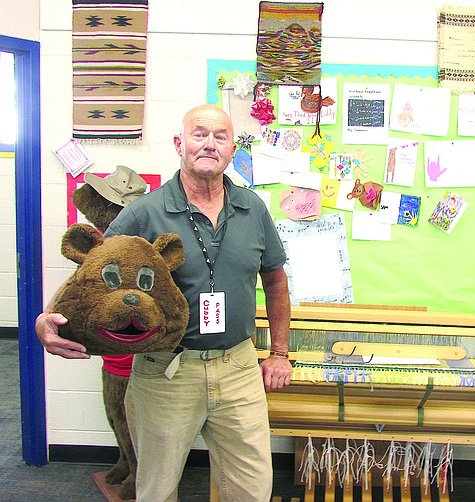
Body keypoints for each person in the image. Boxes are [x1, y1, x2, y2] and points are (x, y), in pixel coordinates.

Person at [35, 104, 293, 502]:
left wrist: (279, 352)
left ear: (232, 149)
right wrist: (46, 319)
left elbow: (275, 281)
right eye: (199, 134)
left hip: (239, 368)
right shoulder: (144, 213)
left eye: (220, 136)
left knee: (253, 490)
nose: (210, 144)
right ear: (180, 143)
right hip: (166, 372)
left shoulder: (253, 208)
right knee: (156, 490)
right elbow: (91, 274)